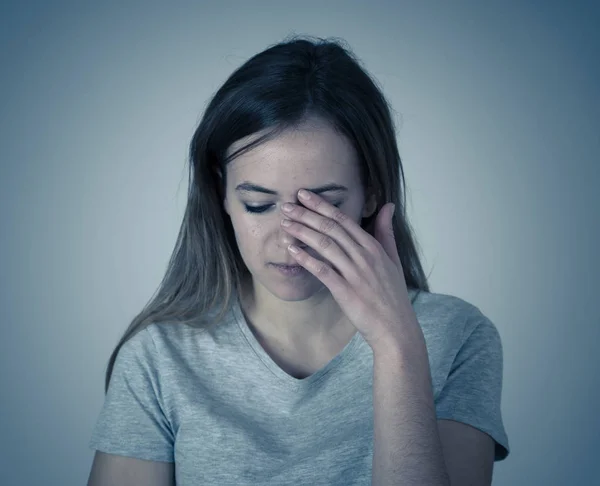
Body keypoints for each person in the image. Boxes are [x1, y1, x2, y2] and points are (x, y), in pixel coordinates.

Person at [87, 35, 510, 486]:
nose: (291, 242)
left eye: (320, 208)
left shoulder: (458, 337)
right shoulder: (158, 359)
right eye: (258, 205)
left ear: (372, 193)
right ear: (221, 195)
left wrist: (397, 346)